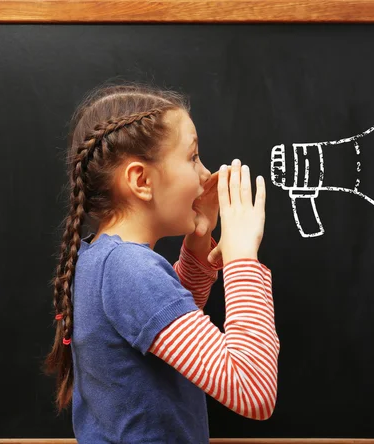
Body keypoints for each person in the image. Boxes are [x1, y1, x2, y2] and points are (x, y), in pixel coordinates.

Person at [43, 82, 279, 443]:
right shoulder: (130, 270)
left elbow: (166, 336)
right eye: (192, 157)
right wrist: (242, 256)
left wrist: (199, 251)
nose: (205, 175)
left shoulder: (101, 259)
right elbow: (253, 390)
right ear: (141, 180)